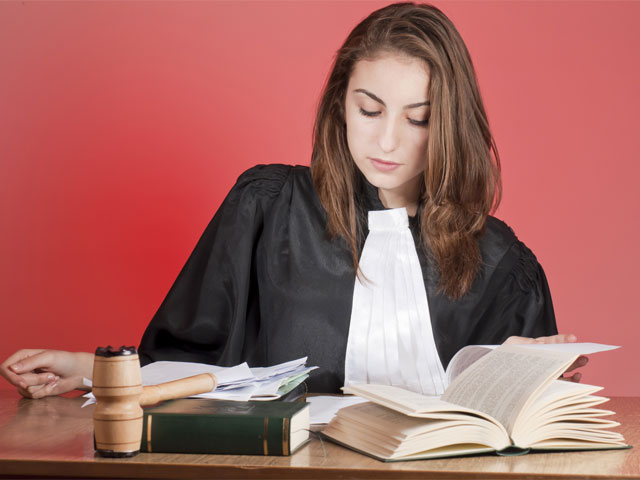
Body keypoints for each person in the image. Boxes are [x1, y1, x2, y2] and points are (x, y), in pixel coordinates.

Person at [0, 2, 587, 399]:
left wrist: (528, 380)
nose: (387, 141)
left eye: (420, 119)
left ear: (451, 126)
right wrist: (91, 372)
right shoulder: (268, 208)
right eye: (369, 109)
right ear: (340, 104)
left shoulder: (505, 266)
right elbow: (192, 363)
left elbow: (526, 431)